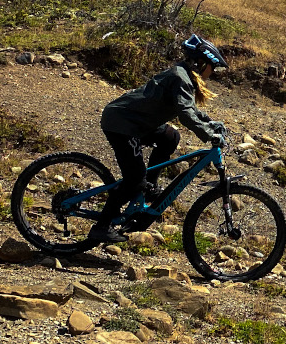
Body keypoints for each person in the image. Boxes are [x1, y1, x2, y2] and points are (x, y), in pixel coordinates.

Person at [95, 34, 228, 239]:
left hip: (137, 122)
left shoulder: (184, 76)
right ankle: (101, 227)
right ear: (201, 63)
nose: (213, 73)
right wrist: (210, 135)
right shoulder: (180, 77)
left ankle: (149, 186)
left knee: (170, 137)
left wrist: (211, 124)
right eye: (213, 67)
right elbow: (185, 115)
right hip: (123, 124)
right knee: (133, 180)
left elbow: (189, 110)